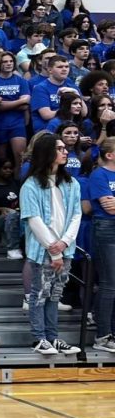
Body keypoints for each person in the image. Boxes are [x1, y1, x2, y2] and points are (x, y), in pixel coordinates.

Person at [20, 133, 82, 357]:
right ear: (47, 153)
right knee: (40, 294)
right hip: (43, 251)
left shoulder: (71, 182)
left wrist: (64, 243)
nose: (65, 151)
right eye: (60, 148)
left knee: (55, 294)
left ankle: (53, 337)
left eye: (65, 148)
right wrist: (53, 249)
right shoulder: (31, 185)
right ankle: (39, 338)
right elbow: (33, 219)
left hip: (65, 249)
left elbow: (76, 215)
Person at [88, 139, 115, 353]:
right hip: (106, 228)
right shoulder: (99, 175)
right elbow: (109, 207)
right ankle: (102, 336)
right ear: (109, 155)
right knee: (108, 283)